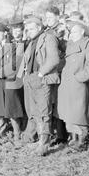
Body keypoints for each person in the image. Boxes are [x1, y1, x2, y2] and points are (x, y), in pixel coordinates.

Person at [17, 16, 60, 156]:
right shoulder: (32, 41)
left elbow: (54, 59)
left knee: (44, 113)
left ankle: (44, 144)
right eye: (26, 29)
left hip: (42, 79)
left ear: (39, 27)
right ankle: (40, 140)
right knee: (34, 112)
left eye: (30, 29)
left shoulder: (48, 38)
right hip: (31, 79)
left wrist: (40, 75)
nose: (27, 32)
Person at [57, 19, 89, 150]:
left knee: (79, 115)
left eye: (75, 31)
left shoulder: (88, 43)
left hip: (79, 86)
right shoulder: (69, 44)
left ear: (82, 31)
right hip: (66, 85)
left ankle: (81, 142)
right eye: (71, 31)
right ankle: (74, 139)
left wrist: (80, 77)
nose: (72, 33)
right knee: (69, 115)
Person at [44, 6, 68, 145]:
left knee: (58, 103)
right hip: (50, 70)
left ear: (57, 17)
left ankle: (62, 135)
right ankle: (53, 132)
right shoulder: (48, 31)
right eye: (46, 17)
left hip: (59, 69)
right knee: (51, 102)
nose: (48, 20)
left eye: (50, 17)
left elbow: (64, 49)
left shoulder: (61, 30)